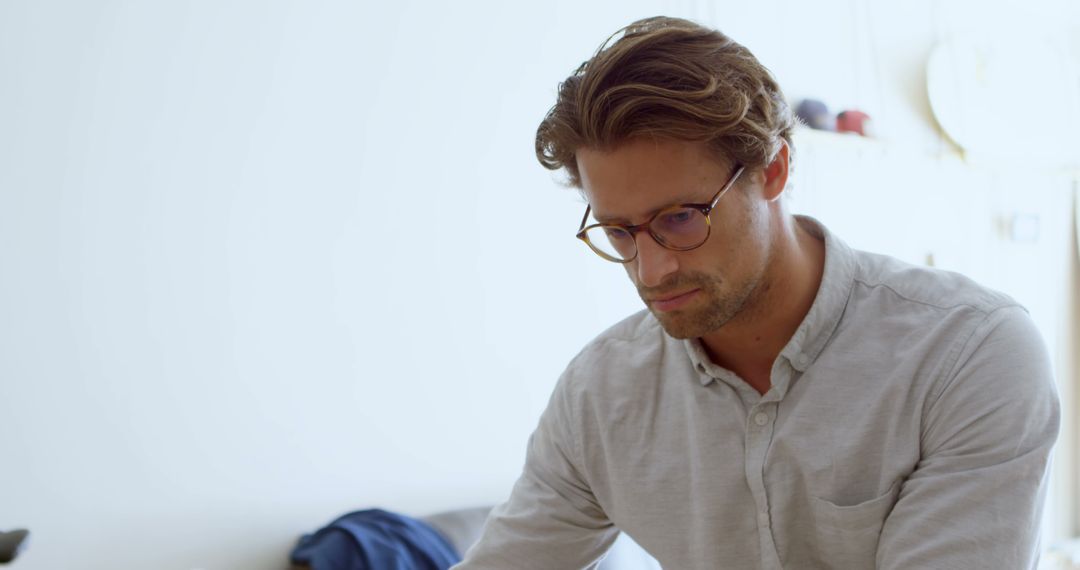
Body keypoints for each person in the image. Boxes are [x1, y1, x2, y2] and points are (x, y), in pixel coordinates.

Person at [454, 16, 1060, 569]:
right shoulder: (599, 396)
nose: (651, 270)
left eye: (681, 218)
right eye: (618, 232)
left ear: (773, 170)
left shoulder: (969, 355)